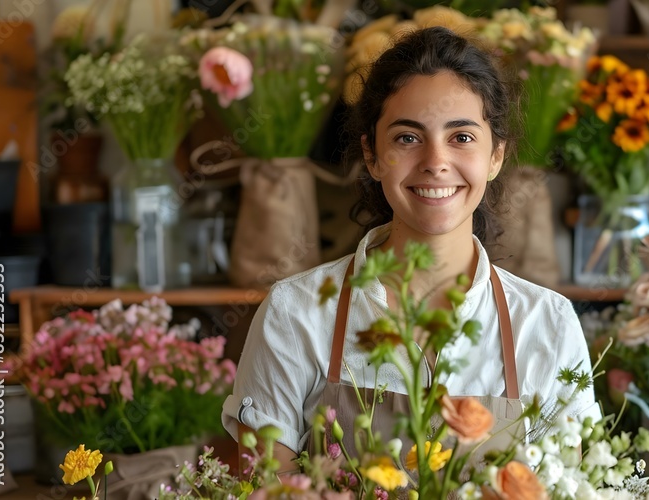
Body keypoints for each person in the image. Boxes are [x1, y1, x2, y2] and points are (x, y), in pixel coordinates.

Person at [222, 26, 599, 472]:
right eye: (407, 137)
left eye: (461, 137)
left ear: (496, 156)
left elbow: (573, 484)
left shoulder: (547, 323)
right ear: (372, 155)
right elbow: (266, 487)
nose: (435, 161)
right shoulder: (295, 312)